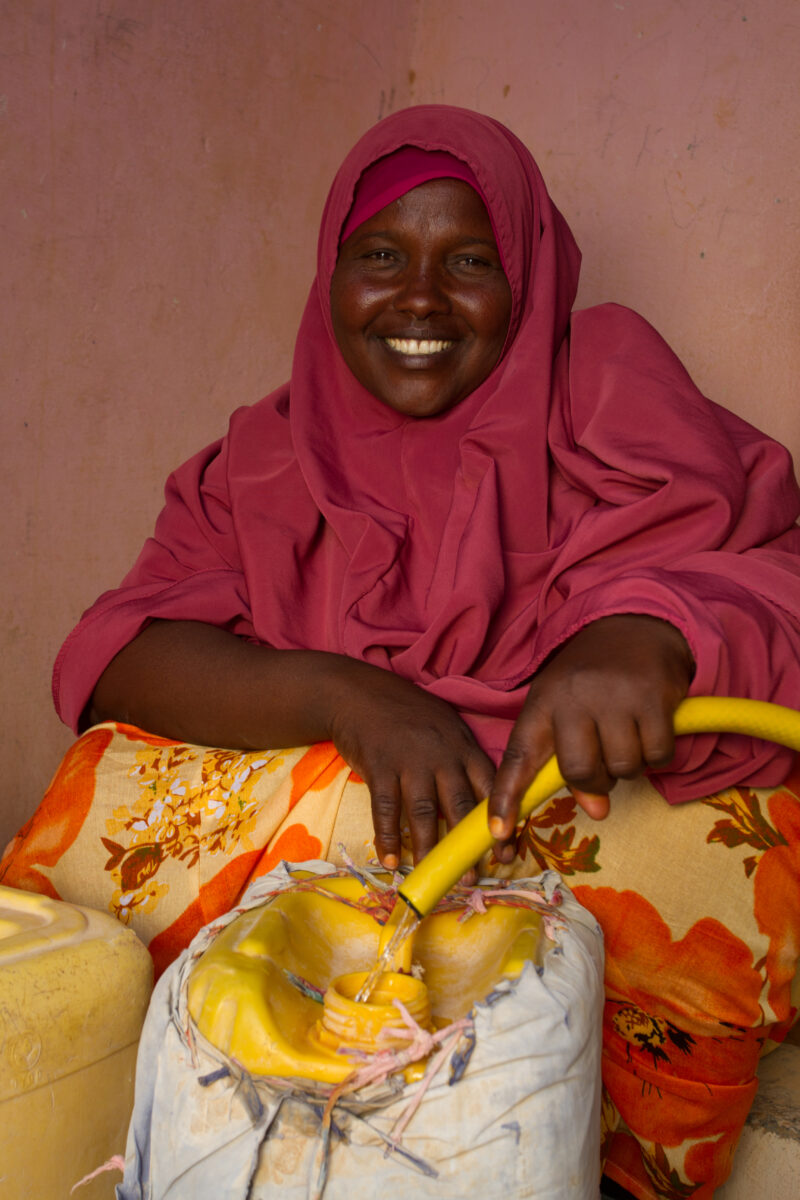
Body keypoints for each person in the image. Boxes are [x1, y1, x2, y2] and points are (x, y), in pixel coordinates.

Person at [4, 105, 800, 1199]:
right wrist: (351, 700)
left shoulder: (610, 388)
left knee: (731, 849)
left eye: (468, 261)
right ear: (330, 277)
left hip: (560, 817)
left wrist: (643, 634)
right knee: (102, 784)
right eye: (380, 256)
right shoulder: (268, 454)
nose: (419, 297)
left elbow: (760, 562)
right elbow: (115, 652)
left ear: (527, 280)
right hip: (354, 841)